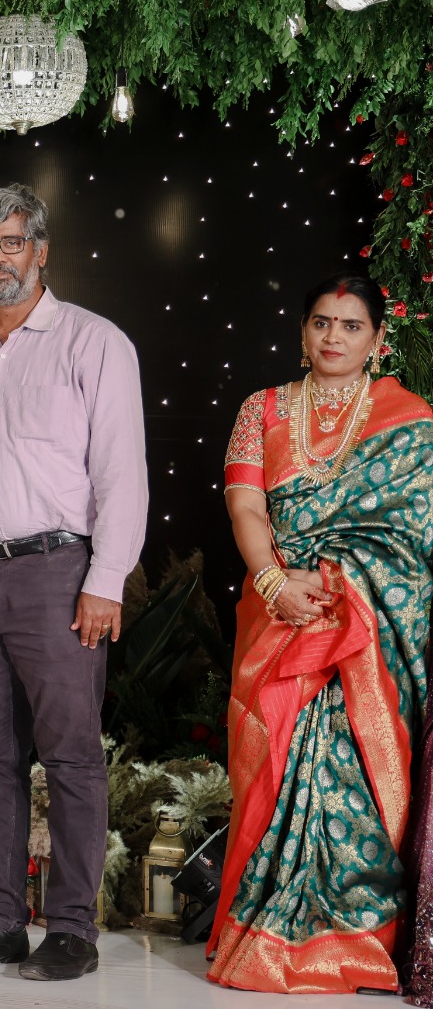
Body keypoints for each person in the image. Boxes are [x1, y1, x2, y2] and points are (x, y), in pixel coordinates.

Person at [0, 184, 146, 981]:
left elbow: (122, 471)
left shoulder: (95, 342)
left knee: (70, 758)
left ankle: (72, 931)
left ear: (42, 249)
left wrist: (107, 579)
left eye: (11, 241)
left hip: (57, 574)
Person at [212, 273, 433, 996]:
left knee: (353, 774)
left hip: (366, 632)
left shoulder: (411, 421)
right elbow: (246, 507)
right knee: (277, 769)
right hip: (279, 616)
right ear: (303, 331)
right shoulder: (263, 408)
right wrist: (274, 582)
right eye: (321, 322)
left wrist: (345, 584)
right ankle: (265, 933)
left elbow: (414, 541)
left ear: (378, 338)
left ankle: (359, 940)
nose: (333, 337)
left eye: (351, 325)